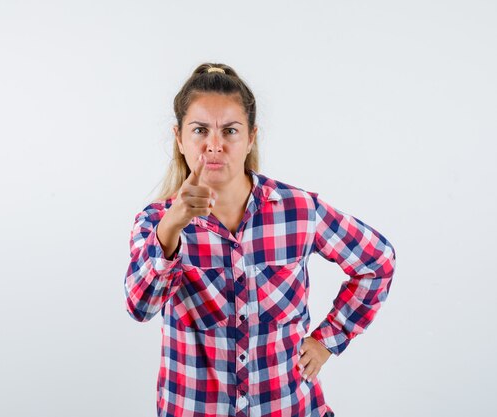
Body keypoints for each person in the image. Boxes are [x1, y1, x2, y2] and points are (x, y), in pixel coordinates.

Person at [123, 63, 396, 417]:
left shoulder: (298, 210)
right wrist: (173, 226)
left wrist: (328, 340)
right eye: (200, 130)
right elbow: (139, 308)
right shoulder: (156, 221)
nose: (215, 145)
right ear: (179, 138)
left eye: (231, 131)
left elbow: (378, 262)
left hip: (288, 407)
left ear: (251, 137)